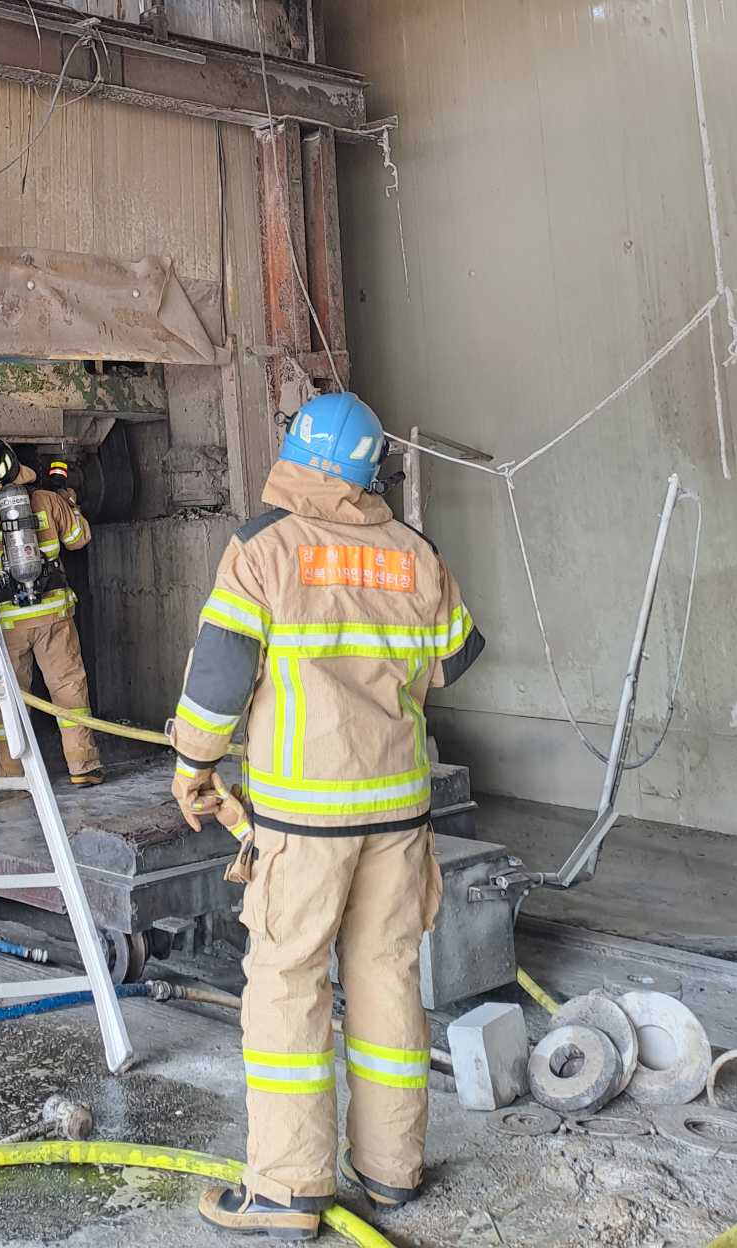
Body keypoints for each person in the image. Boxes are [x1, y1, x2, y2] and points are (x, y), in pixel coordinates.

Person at [172, 391, 484, 1234]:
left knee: (288, 986)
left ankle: (288, 1188)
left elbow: (218, 679)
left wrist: (194, 766)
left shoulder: (263, 549)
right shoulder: (415, 553)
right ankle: (391, 1169)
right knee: (386, 977)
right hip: (399, 814)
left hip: (303, 824)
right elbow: (456, 656)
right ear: (369, 470)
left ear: (296, 455)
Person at [0, 436, 103, 788]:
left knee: (10, 700)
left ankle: (12, 772)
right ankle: (83, 766)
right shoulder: (46, 500)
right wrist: (68, 503)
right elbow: (79, 538)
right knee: (69, 689)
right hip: (53, 617)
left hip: (8, 623)